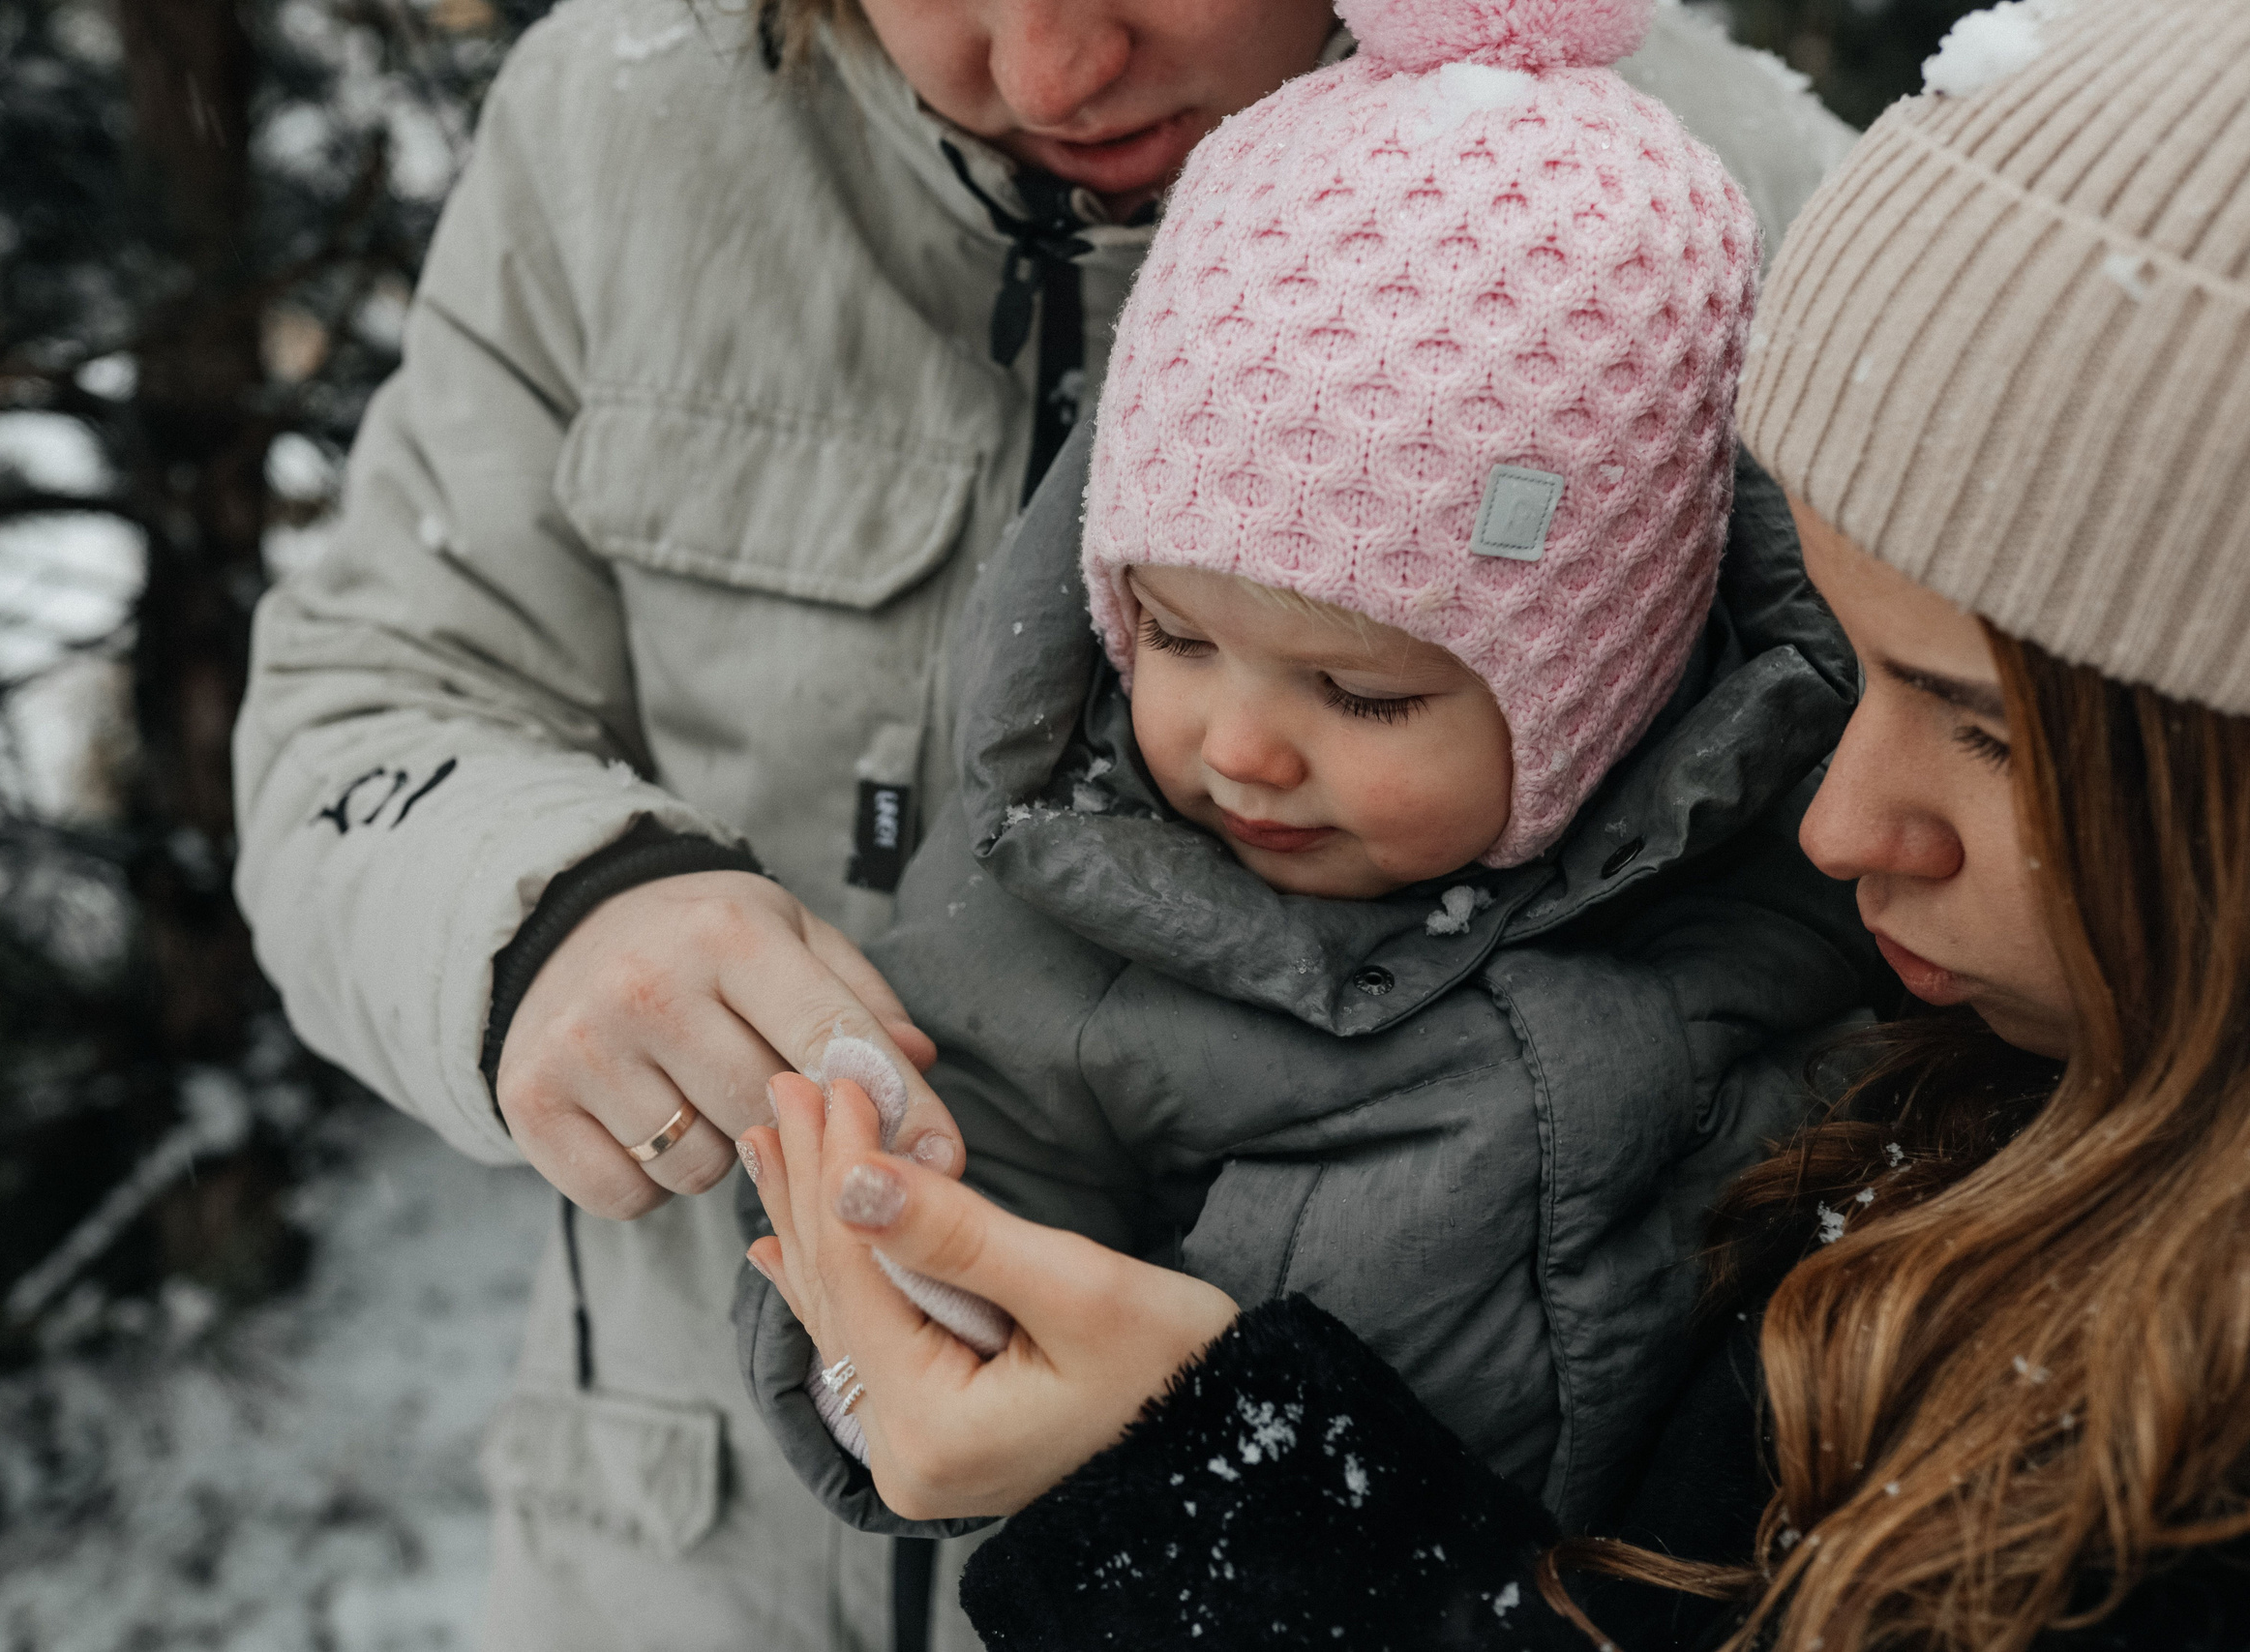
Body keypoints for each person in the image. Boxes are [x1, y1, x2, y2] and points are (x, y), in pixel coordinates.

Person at [227, 0, 1854, 1640]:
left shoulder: (1738, 205)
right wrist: (547, 910)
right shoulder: (627, 117)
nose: (1050, 73)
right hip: (683, 1566)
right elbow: (368, 694)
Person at [738, 0, 2250, 1645]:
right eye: (1172, 638)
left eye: (1986, 733)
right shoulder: (1990, 1071)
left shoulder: (1778, 908)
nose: (1839, 826)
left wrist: (1216, 1494)